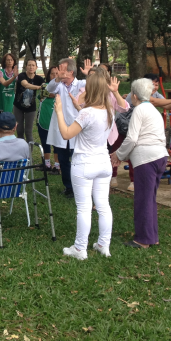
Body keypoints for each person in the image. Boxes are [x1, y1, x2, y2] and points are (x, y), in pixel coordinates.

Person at [53, 70, 115, 260]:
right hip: (103, 163)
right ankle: (104, 244)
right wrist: (78, 107)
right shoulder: (108, 110)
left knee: (84, 207)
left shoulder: (87, 113)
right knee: (103, 205)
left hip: (84, 164)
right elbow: (92, 122)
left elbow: (66, 133)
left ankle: (80, 248)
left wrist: (60, 112)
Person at [111, 79, 168, 248]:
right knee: (150, 198)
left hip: (146, 158)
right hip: (160, 156)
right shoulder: (153, 110)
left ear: (134, 95)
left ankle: (143, 239)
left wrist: (119, 155)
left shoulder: (139, 110)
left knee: (143, 199)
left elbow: (131, 138)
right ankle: (152, 236)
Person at [46, 57, 90, 197]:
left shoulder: (81, 84)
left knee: (78, 159)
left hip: (77, 127)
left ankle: (81, 187)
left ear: (71, 72)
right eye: (59, 69)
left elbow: (95, 84)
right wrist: (58, 78)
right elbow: (49, 88)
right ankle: (68, 187)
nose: (59, 71)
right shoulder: (58, 85)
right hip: (61, 128)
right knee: (63, 159)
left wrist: (89, 74)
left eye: (63, 69)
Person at [36, 66, 61, 175]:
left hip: (57, 119)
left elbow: (51, 94)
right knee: (45, 141)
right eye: (52, 73)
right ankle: (46, 164)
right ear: (48, 75)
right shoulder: (44, 86)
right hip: (44, 118)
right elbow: (45, 94)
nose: (55, 76)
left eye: (57, 73)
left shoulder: (63, 87)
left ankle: (57, 165)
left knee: (56, 142)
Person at [14, 59, 44, 146]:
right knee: (19, 131)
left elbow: (46, 89)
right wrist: (39, 87)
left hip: (31, 108)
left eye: (33, 65)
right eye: (29, 65)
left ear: (36, 67)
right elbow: (25, 84)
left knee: (29, 132)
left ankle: (29, 155)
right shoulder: (21, 76)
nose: (31, 67)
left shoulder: (39, 79)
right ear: (26, 66)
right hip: (18, 107)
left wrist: (42, 95)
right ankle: (21, 153)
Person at [0, 53, 19, 139]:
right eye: (8, 60)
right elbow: (5, 83)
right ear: (4, 62)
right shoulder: (0, 72)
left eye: (11, 60)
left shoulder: (16, 74)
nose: (10, 61)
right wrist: (14, 77)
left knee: (7, 126)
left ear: (14, 62)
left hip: (9, 102)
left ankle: (6, 144)